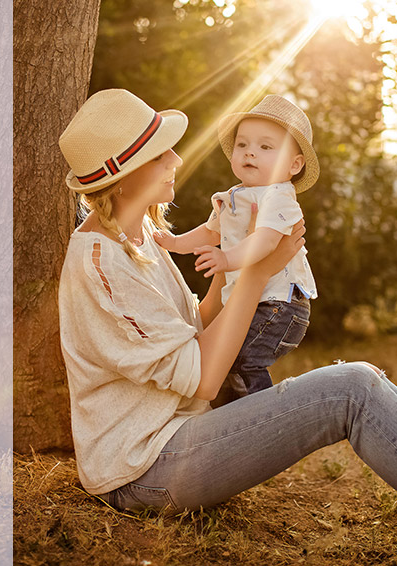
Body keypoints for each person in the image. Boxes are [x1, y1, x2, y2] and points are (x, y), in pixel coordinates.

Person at [58, 88, 397, 514]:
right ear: (124, 175)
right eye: (161, 153)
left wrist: (234, 255)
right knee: (352, 388)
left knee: (358, 384)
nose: (176, 160)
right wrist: (257, 273)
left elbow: (191, 332)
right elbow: (203, 379)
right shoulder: (101, 264)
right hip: (143, 468)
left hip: (181, 430)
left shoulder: (141, 234)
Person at [154, 95, 318, 395]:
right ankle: (236, 416)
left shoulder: (278, 197)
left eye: (265, 147)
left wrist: (226, 259)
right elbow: (210, 231)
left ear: (294, 164)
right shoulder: (234, 196)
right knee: (225, 363)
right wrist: (175, 243)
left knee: (243, 360)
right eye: (243, 144)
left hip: (280, 305)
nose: (250, 153)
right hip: (257, 301)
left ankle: (267, 416)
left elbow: (266, 240)